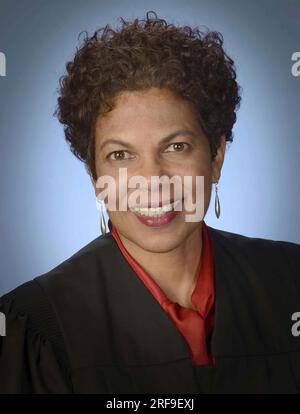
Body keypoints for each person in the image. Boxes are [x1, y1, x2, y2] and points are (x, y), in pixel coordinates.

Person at [0, 11, 299, 394]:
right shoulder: (38, 326)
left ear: (216, 158)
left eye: (176, 147)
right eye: (121, 156)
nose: (152, 181)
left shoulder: (291, 283)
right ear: (95, 178)